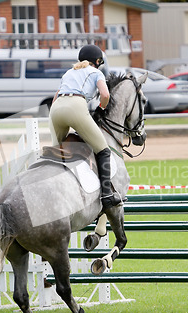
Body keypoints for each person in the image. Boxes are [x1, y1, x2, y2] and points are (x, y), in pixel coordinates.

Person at [49, 44, 122, 211]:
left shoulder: (68, 73)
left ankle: (53, 187)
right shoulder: (96, 72)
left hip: (56, 109)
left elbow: (56, 97)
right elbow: (105, 95)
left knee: (56, 151)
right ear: (97, 61)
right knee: (103, 149)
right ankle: (107, 195)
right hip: (75, 106)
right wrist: (101, 108)